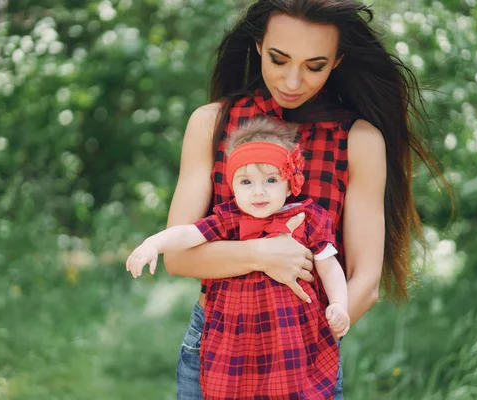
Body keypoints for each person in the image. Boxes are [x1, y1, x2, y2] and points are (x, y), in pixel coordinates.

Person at [162, 1, 442, 399]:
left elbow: (365, 282)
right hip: (215, 345)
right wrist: (263, 255)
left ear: (337, 61)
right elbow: (178, 255)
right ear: (258, 45)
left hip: (306, 355)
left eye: (314, 66)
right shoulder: (212, 123)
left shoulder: (358, 140)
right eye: (279, 59)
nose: (293, 80)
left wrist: (309, 344)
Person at [127, 118, 351, 398]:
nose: (259, 191)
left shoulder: (307, 217)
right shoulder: (228, 218)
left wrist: (340, 304)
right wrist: (154, 242)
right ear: (233, 186)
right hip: (234, 339)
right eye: (246, 181)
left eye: (271, 180)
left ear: (290, 183)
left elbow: (329, 265)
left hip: (292, 339)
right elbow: (188, 234)